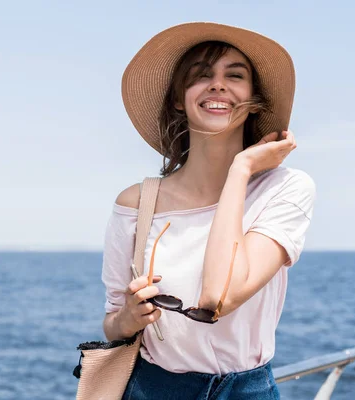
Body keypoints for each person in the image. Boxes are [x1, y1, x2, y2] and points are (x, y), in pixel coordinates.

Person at [101, 22, 316, 399]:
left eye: (234, 76)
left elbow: (218, 297)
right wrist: (128, 318)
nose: (218, 85)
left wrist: (241, 169)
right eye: (201, 76)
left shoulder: (285, 189)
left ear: (253, 101)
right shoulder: (136, 204)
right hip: (154, 388)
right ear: (178, 99)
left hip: (247, 390)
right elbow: (111, 324)